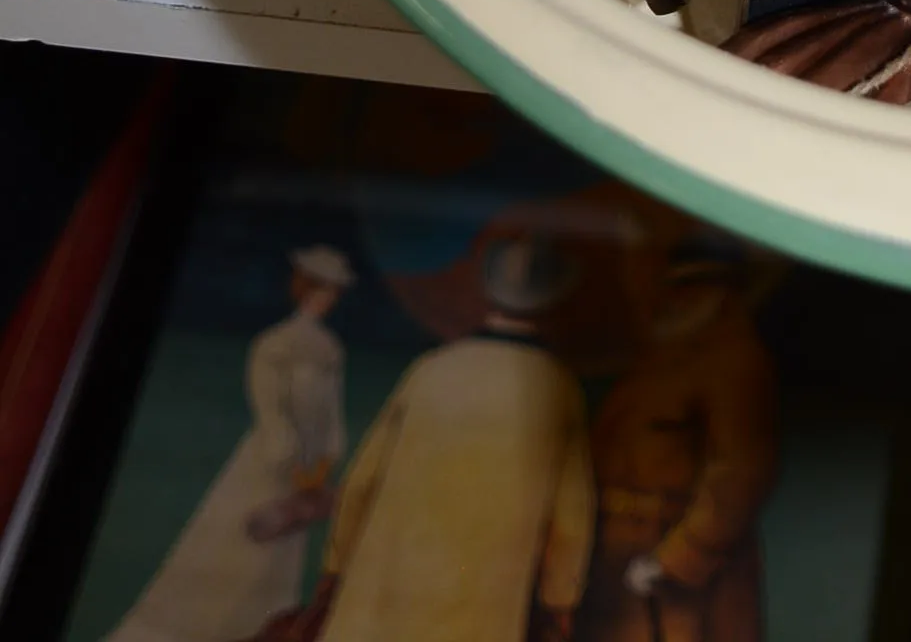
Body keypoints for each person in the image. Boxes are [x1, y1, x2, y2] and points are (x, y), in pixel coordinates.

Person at [312, 235, 594, 642]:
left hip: (383, 595)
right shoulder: (558, 387)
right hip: (479, 608)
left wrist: (335, 567)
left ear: (488, 292)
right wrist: (560, 600)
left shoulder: (431, 369)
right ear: (552, 301)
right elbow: (571, 516)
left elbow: (362, 481)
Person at [106, 246, 353, 642]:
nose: (328, 299)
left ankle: (257, 629)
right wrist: (287, 454)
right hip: (272, 459)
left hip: (308, 465)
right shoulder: (275, 343)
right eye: (322, 289)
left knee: (280, 555)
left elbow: (332, 410)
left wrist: (327, 456)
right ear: (305, 289)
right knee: (242, 546)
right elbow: (269, 405)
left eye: (334, 292)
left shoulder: (329, 348)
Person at [575, 255, 776, 642]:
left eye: (693, 288)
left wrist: (678, 558)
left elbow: (739, 475)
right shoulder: (658, 361)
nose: (676, 300)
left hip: (670, 572)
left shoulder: (736, 363)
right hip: (617, 563)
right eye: (675, 287)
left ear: (723, 295)